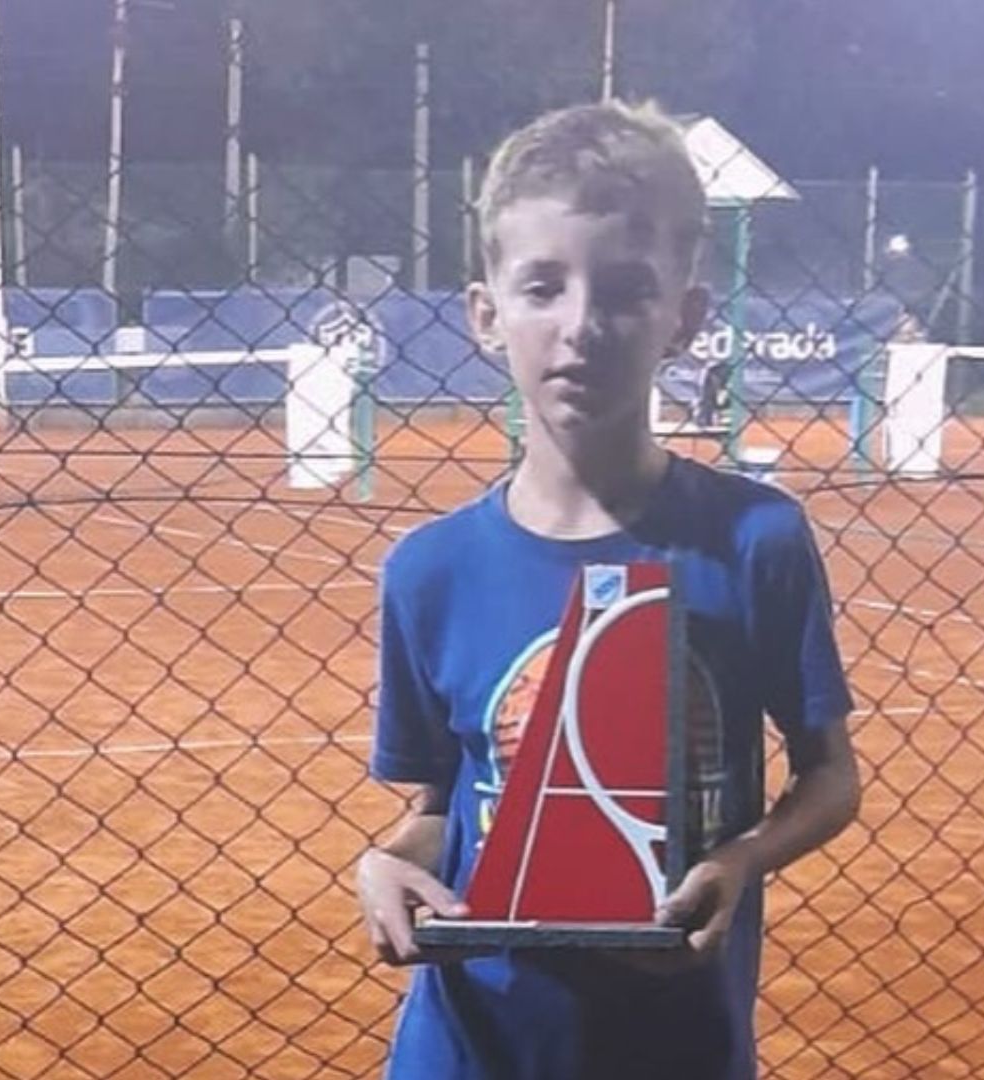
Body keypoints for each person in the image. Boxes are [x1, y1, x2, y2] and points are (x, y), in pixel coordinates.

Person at [354, 100, 863, 1080]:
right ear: (485, 314)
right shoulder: (429, 570)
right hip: (470, 1052)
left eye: (627, 291)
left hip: (678, 1048)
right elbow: (445, 806)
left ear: (686, 318)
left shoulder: (756, 539)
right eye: (542, 287)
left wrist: (741, 859)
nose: (582, 327)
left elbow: (830, 777)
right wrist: (388, 862)